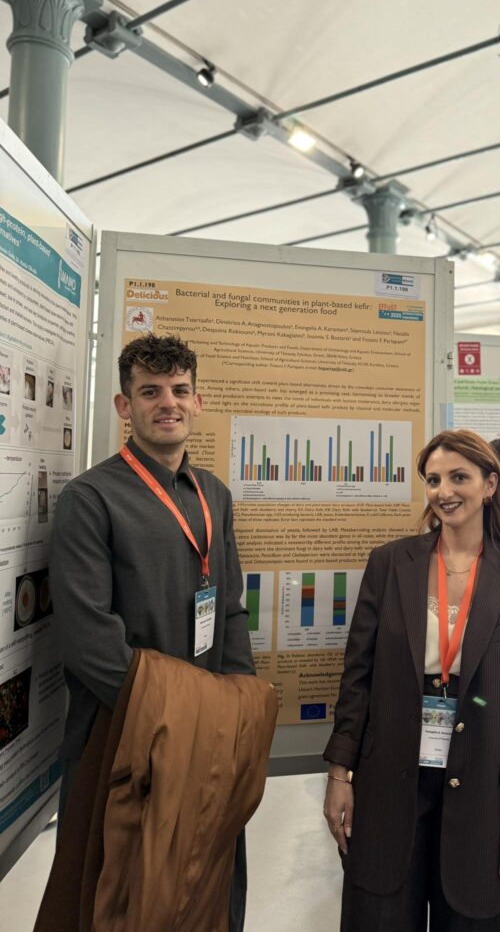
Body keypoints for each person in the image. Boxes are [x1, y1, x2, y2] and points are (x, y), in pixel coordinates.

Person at [49, 334, 255, 932]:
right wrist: (173, 718)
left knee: (205, 892)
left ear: (197, 401)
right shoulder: (90, 499)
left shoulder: (213, 494)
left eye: (180, 390)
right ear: (124, 406)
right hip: (123, 734)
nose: (168, 403)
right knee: (118, 898)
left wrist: (236, 709)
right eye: (150, 391)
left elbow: (230, 609)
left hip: (207, 735)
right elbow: (88, 639)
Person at [323, 429, 500, 931]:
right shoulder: (391, 563)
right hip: (390, 779)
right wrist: (339, 776)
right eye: (433, 480)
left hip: (484, 792)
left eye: (458, 477)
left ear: (489, 485)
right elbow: (357, 677)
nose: (444, 491)